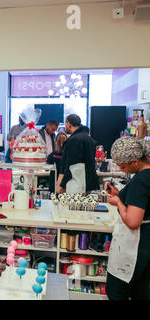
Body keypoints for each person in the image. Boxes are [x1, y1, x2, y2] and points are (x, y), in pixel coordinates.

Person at [104, 137, 150, 300]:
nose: (121, 169)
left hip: (136, 246)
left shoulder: (141, 180)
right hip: (144, 246)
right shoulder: (145, 175)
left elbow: (132, 221)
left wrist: (118, 203)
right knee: (140, 291)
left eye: (123, 166)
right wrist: (120, 194)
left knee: (117, 291)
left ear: (135, 162)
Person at [56, 114, 99, 194]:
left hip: (76, 183)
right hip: (89, 182)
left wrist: (62, 185)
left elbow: (71, 165)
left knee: (73, 206)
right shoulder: (88, 138)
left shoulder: (74, 140)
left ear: (68, 124)